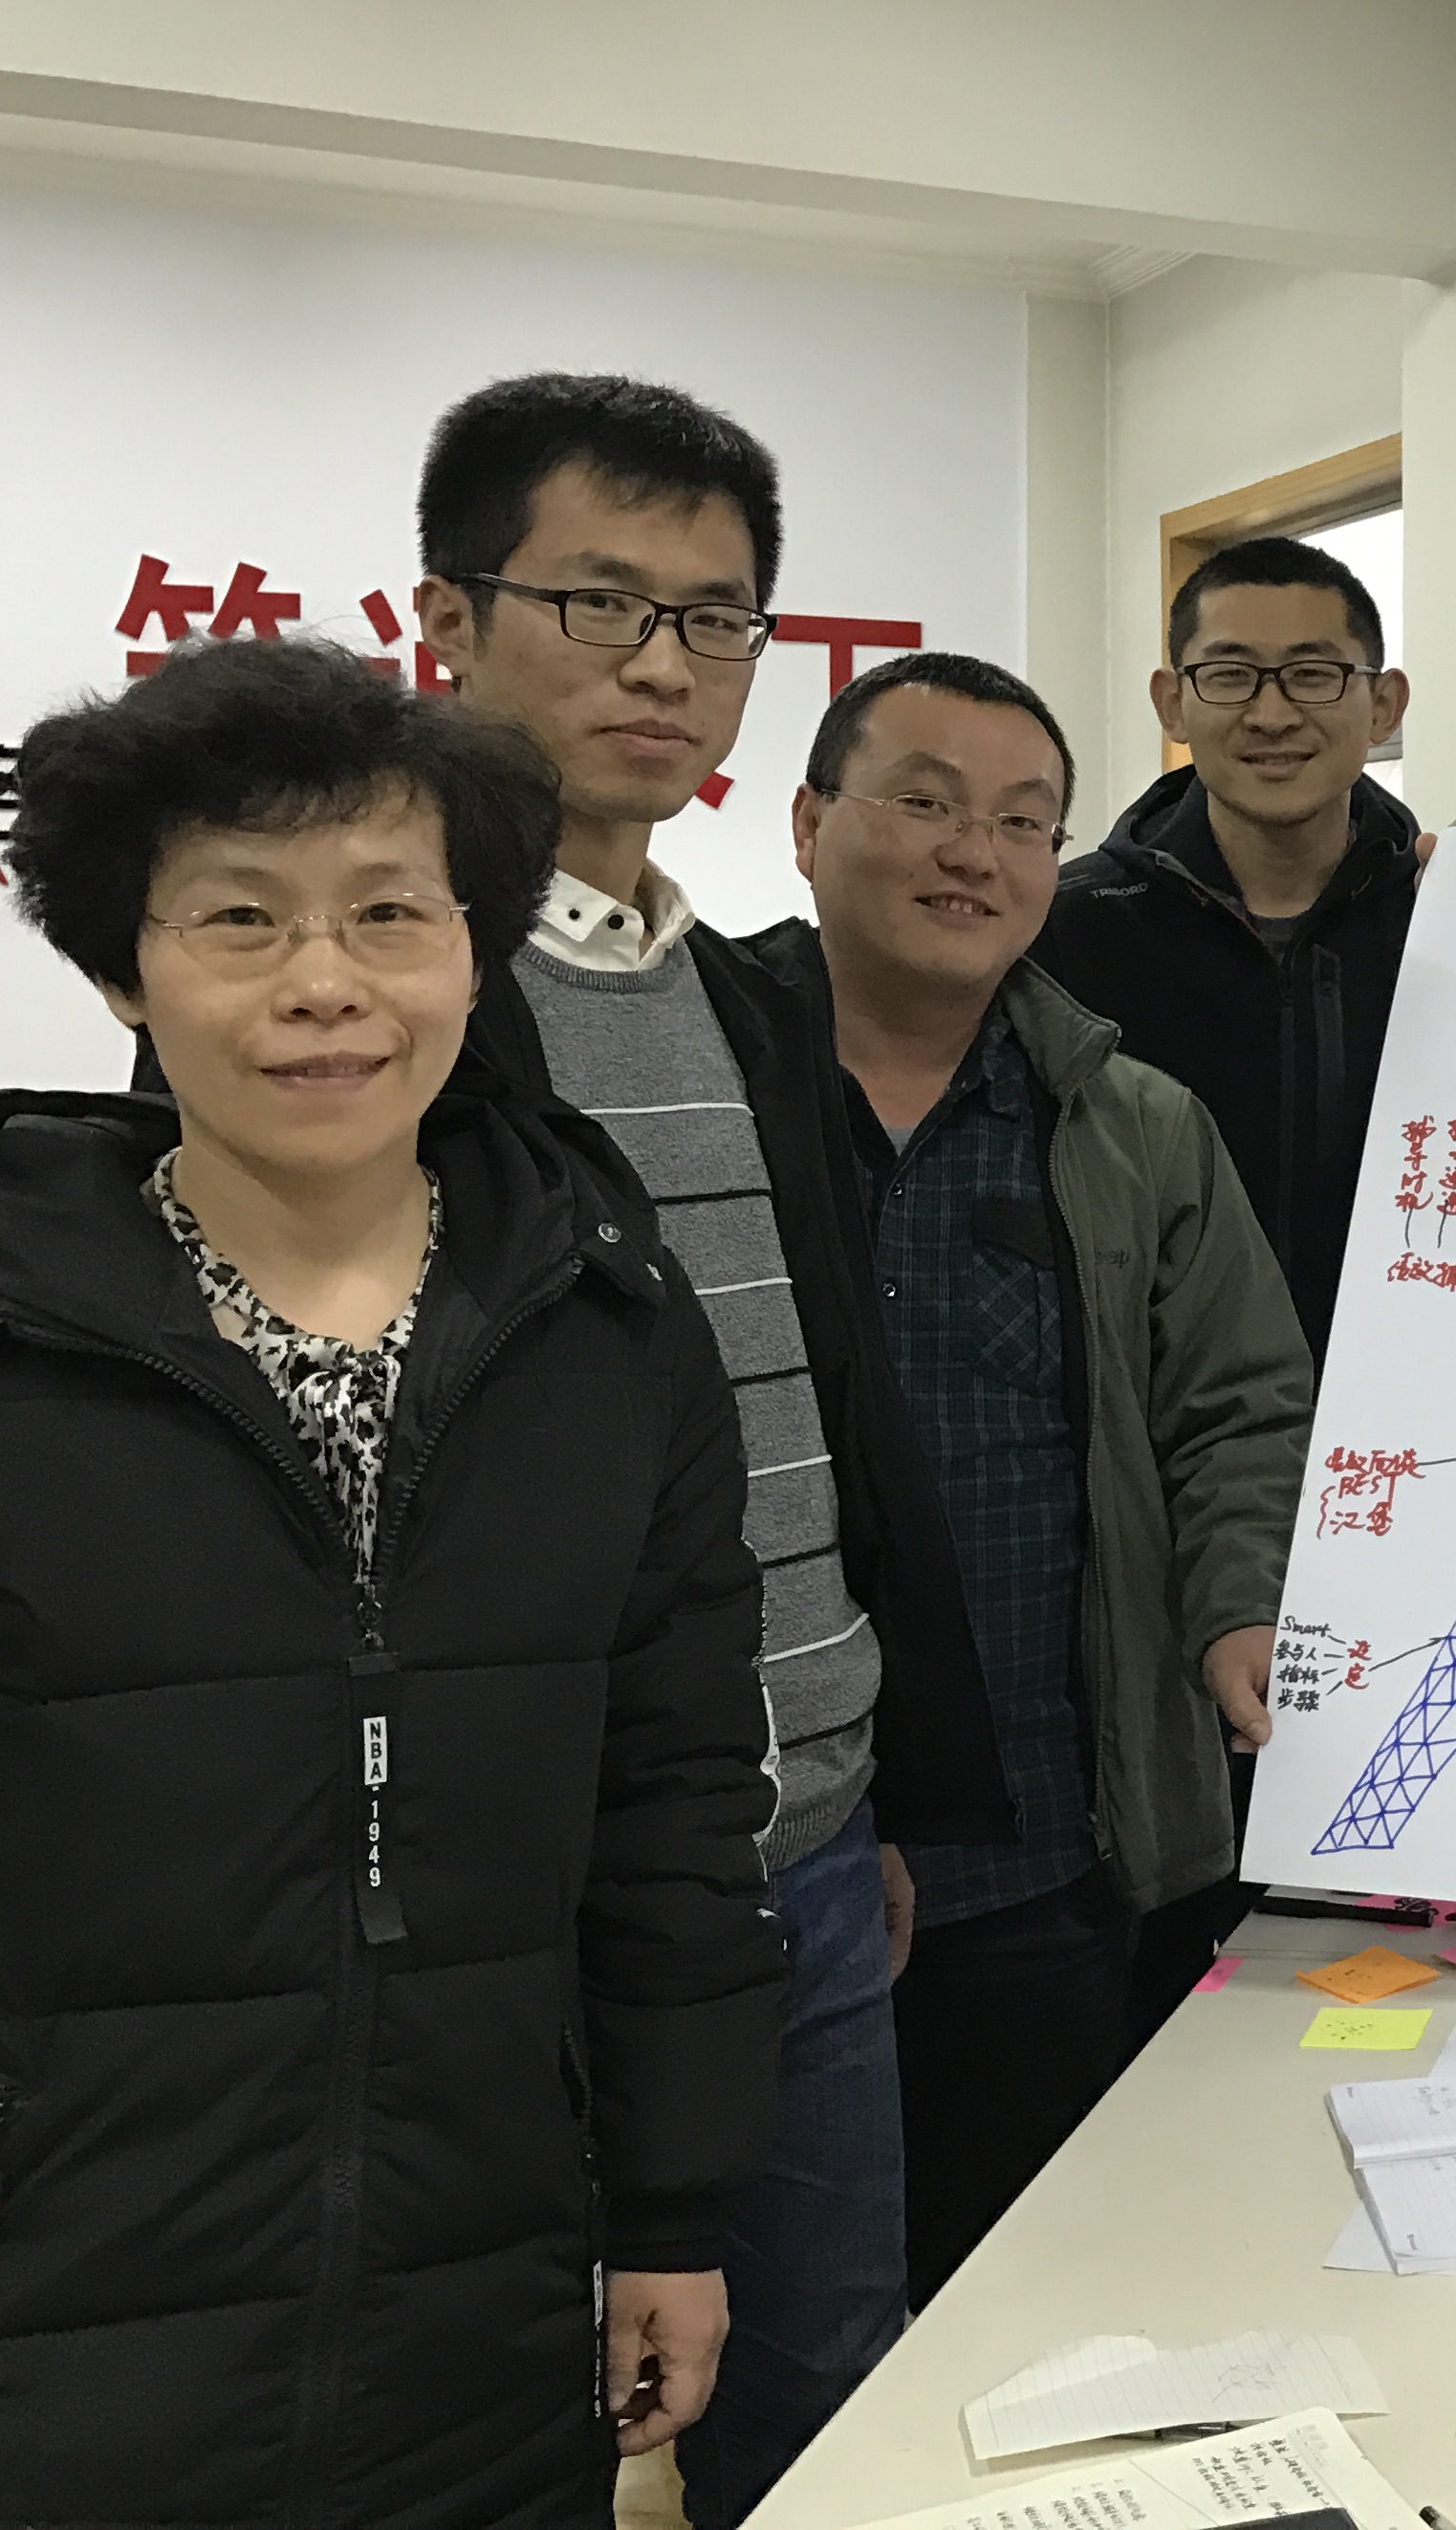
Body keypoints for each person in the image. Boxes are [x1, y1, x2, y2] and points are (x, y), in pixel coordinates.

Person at [0, 640, 784, 2525]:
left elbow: (673, 1801)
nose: (323, 983)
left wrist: (671, 2212)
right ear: (123, 968)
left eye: (388, 912)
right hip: (31, 2335)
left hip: (476, 2318)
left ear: (475, 951)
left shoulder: (605, 1325)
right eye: (239, 917)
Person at [409, 374, 1006, 2524]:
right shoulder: (392, 995)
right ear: (447, 619)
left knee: (833, 2401)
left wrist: (874, 1774)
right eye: (600, 601)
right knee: (499, 2429)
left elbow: (818, 1406)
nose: (662, 665)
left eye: (716, 618)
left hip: (813, 1855)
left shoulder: (748, 997)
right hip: (528, 1876)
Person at [768, 652, 1315, 2300]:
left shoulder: (1131, 1120)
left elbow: (1240, 1403)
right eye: (925, 802)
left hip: (1049, 1845)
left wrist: (1237, 1603)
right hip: (760, 1854)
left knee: (1028, 2300)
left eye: (1023, 822)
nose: (976, 854)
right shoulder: (703, 1098)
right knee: (787, 2328)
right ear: (807, 824)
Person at [1034, 534, 1420, 1363]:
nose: (1272, 715)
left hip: (1408, 1397)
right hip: (1153, 1411)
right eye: (1230, 674)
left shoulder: (1451, 923)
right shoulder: (1063, 930)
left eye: (1313, 674)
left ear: (1384, 704)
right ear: (1172, 703)